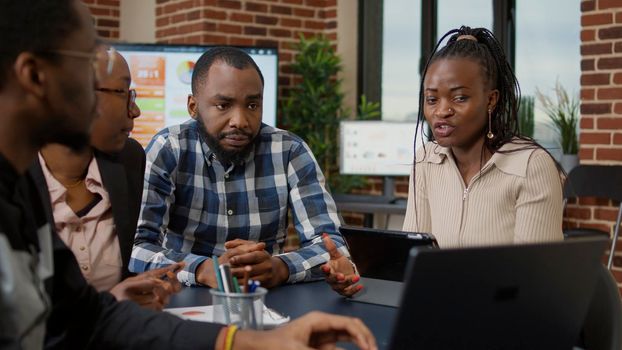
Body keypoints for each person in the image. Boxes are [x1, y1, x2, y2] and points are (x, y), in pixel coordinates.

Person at [0, 0, 377, 349]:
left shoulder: (23, 191)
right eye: (89, 64)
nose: (133, 109)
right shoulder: (160, 150)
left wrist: (257, 342)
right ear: (35, 76)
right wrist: (202, 273)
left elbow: (90, 318)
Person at [130, 47, 360, 296]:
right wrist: (204, 270)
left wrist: (280, 267)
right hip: (181, 299)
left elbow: (333, 246)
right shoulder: (170, 148)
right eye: (223, 105)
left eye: (252, 104)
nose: (240, 120)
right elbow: (137, 247)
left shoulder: (289, 151)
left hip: (264, 301)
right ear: (193, 106)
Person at [29, 50, 182, 310]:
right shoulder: (12, 177)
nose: (135, 110)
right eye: (124, 93)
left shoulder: (129, 160)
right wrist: (109, 304)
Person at [402, 26, 564, 247]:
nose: (441, 111)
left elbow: (535, 277)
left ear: (491, 100)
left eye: (459, 98)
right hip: (437, 283)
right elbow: (411, 257)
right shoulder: (426, 160)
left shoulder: (530, 166)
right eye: (432, 100)